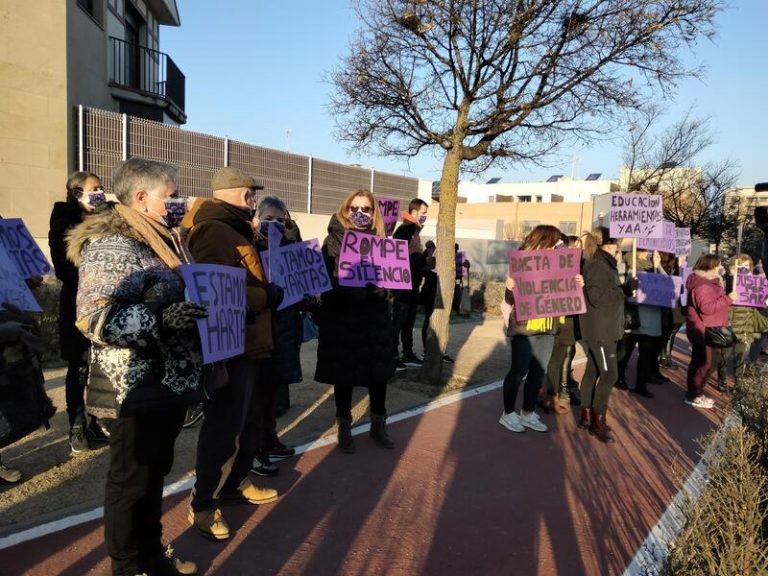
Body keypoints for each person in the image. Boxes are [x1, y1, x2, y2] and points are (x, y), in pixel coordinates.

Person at [67, 157, 204, 576]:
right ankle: (128, 566)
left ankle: (149, 553)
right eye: (171, 195)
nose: (177, 202)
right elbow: (93, 318)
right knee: (131, 480)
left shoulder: (164, 240)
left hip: (163, 382)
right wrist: (161, 318)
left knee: (154, 472)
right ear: (142, 198)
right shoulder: (114, 244)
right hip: (130, 385)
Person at [184, 167, 282, 541]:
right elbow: (216, 289)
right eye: (248, 193)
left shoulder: (237, 228)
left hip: (252, 341)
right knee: (223, 426)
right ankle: (204, 502)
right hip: (232, 345)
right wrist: (265, 296)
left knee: (249, 421)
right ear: (226, 193)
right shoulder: (212, 230)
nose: (252, 200)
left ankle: (235, 483)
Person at [315, 189, 396, 453]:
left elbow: (394, 281)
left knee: (379, 374)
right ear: (345, 210)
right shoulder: (333, 241)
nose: (360, 214)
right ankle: (344, 424)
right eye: (355, 208)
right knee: (344, 375)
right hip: (344, 318)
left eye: (366, 209)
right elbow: (328, 283)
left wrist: (384, 291)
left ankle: (378, 422)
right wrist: (358, 291)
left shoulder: (384, 242)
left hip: (375, 320)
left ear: (375, 214)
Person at [48, 171, 110, 453]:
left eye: (101, 188)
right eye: (93, 188)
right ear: (76, 194)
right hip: (76, 304)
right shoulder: (63, 223)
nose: (100, 192)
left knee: (99, 365)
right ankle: (76, 426)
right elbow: (64, 269)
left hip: (106, 306)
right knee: (79, 366)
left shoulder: (106, 219)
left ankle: (95, 421)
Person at [499, 225, 582, 434]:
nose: (559, 246)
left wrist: (576, 284)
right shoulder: (522, 261)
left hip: (548, 325)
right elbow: (510, 299)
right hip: (524, 327)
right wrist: (509, 288)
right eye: (556, 242)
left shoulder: (558, 265)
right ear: (545, 240)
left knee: (538, 373)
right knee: (518, 371)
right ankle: (508, 413)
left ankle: (527, 412)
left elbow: (565, 294)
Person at [250, 195, 301, 476]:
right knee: (257, 394)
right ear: (257, 219)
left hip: (284, 329)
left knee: (271, 392)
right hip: (260, 330)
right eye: (268, 218)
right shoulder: (250, 247)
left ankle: (269, 439)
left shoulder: (292, 249)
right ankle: (256, 447)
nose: (274, 224)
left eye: (280, 220)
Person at [578, 228, 626, 444]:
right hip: (601, 331)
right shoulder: (598, 264)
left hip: (603, 327)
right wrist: (624, 290)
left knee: (593, 371)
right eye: (616, 243)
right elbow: (597, 297)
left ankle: (586, 416)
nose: (619, 247)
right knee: (609, 375)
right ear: (609, 244)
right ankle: (598, 423)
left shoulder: (602, 262)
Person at [684, 254, 735, 409]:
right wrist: (728, 299)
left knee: (700, 362)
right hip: (705, 331)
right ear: (711, 267)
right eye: (719, 265)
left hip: (707, 329)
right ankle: (695, 395)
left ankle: (694, 392)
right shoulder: (703, 285)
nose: (722, 268)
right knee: (707, 364)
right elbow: (707, 308)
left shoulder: (709, 282)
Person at [617, 249, 669, 399]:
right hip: (635, 318)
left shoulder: (652, 266)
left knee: (645, 354)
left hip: (651, 317)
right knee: (625, 352)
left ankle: (641, 384)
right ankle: (619, 377)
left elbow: (667, 284)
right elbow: (622, 287)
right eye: (645, 250)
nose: (648, 253)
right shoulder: (628, 265)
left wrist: (658, 266)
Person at [544, 234, 581, 414]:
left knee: (558, 360)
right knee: (552, 361)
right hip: (550, 321)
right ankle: (550, 396)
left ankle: (554, 395)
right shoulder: (545, 267)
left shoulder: (575, 269)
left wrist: (580, 284)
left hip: (566, 320)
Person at [391, 198, 429, 368]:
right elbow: (399, 258)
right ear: (414, 212)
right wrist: (421, 260)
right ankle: (393, 355)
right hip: (402, 287)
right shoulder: (404, 230)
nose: (425, 217)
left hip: (413, 285)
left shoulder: (415, 231)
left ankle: (407, 353)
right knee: (398, 322)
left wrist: (425, 263)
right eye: (423, 213)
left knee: (409, 323)